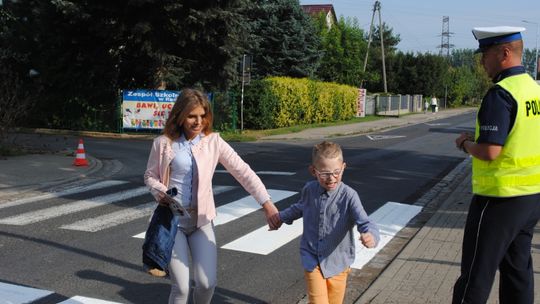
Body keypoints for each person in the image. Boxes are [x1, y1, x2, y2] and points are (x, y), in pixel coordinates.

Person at [143, 88, 280, 304]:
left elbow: (243, 172)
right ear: (179, 116)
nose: (198, 122)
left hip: (202, 222)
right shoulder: (163, 143)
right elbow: (150, 176)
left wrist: (267, 203)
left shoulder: (214, 142)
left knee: (207, 284)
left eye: (203, 115)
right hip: (172, 222)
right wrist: (160, 191)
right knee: (181, 287)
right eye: (191, 116)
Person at [452, 26, 540, 304]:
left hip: (498, 199)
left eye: (485, 55)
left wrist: (465, 143)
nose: (481, 62)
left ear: (504, 53)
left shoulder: (501, 94)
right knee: (518, 272)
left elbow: (490, 151)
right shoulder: (534, 90)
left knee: (476, 274)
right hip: (531, 197)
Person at [271, 141, 380, 304]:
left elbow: (365, 222)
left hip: (338, 263)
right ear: (313, 171)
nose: (331, 178)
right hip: (312, 257)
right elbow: (300, 207)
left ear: (343, 167)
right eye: (324, 173)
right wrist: (280, 217)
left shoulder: (349, 196)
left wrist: (371, 236)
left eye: (337, 172)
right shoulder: (309, 190)